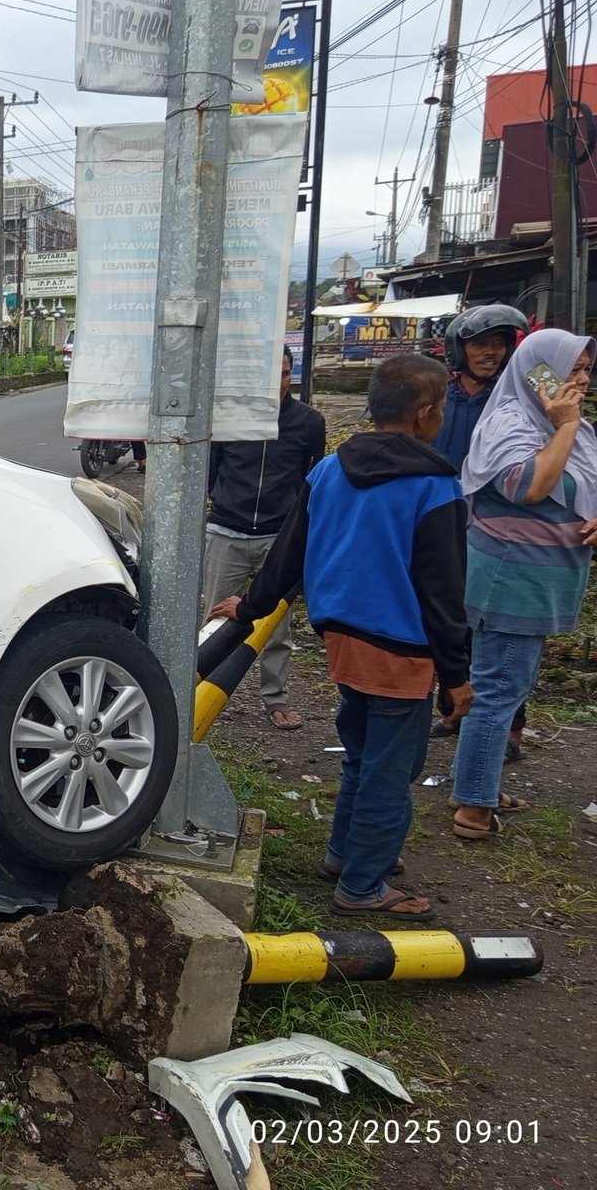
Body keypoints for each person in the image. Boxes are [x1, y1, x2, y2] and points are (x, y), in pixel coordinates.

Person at [213, 353, 471, 919]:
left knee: (362, 753)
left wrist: (250, 607)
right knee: (390, 772)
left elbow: (288, 553)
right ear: (425, 412)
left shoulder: (328, 470)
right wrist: (457, 677)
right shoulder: (435, 488)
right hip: (403, 650)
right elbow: (444, 593)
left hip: (342, 640)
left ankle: (343, 854)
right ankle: (363, 885)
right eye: (444, 405)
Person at [450, 329, 597, 839]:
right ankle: (473, 807)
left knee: (506, 688)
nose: (581, 380)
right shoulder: (512, 422)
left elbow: (579, 485)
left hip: (537, 583)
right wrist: (567, 423)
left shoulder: (563, 426)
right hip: (510, 581)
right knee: (498, 691)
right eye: (570, 369)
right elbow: (529, 486)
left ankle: (476, 784)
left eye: (585, 369)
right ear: (538, 372)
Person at [203, 344, 328, 729]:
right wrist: (221, 502)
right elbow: (211, 469)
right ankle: (197, 690)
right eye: (270, 375)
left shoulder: (308, 422)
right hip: (226, 531)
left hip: (280, 539)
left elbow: (313, 476)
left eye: (286, 373)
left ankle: (276, 698)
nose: (278, 383)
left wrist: (296, 524)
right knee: (213, 619)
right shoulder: (229, 419)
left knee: (277, 627)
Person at [430, 304, 531, 754]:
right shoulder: (438, 391)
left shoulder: (524, 392)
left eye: (499, 344)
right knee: (449, 619)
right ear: (459, 348)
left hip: (498, 522)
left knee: (497, 626)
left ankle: (509, 727)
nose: (490, 353)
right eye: (480, 344)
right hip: (441, 520)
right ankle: (453, 711)